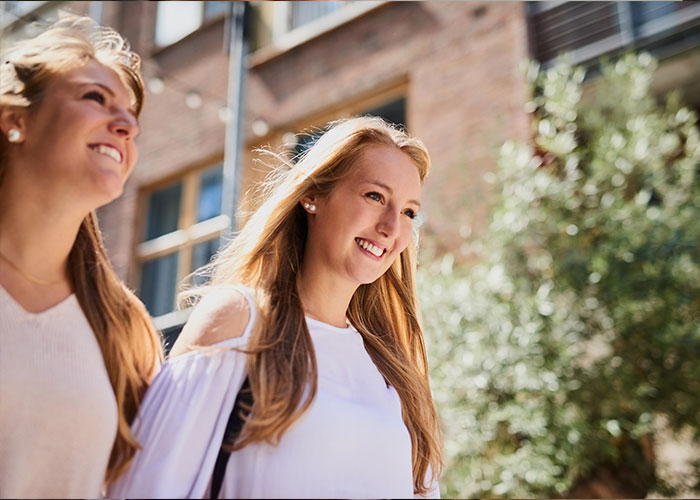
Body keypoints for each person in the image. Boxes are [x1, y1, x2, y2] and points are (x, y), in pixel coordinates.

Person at [108, 116, 443, 498]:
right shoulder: (240, 320)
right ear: (312, 195)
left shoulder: (395, 371)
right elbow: (146, 488)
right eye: (375, 196)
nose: (391, 227)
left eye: (408, 212)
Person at [0, 14, 162, 498]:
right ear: (15, 121)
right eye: (96, 97)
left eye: (132, 115)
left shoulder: (124, 328)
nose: (127, 125)